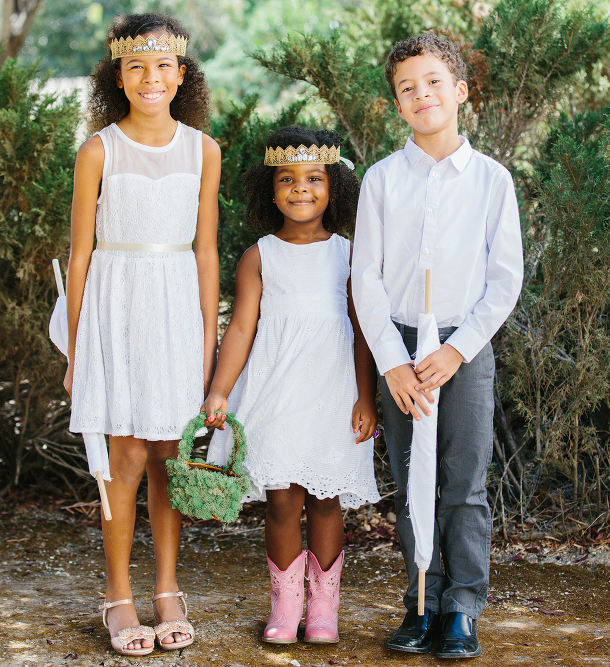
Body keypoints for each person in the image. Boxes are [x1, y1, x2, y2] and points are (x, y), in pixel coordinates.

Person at [351, 33, 524, 659]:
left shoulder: (491, 180)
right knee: (409, 477)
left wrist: (459, 350)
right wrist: (391, 363)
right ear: (396, 104)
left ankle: (462, 608)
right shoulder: (381, 180)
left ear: (460, 91)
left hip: (462, 345)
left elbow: (505, 279)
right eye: (406, 88)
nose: (421, 94)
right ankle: (421, 599)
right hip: (399, 343)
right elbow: (364, 277)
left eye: (432, 82)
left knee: (463, 482)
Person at [63, 13, 220, 656]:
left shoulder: (202, 149)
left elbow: (206, 254)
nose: (150, 78)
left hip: (177, 308)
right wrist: (77, 349)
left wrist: (208, 346)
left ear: (181, 76)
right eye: (136, 67)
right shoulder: (100, 149)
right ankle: (118, 595)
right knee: (123, 458)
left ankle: (167, 589)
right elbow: (79, 256)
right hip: (117, 306)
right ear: (118, 76)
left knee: (168, 456)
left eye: (163, 67)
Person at [202, 126, 380, 645]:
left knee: (326, 500)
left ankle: (323, 609)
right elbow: (239, 328)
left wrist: (366, 396)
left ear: (335, 187)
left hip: (333, 393)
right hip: (275, 391)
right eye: (287, 179)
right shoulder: (260, 256)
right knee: (281, 499)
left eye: (313, 179)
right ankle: (285, 604)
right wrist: (219, 391)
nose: (300, 189)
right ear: (270, 188)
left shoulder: (349, 256)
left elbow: (363, 333)